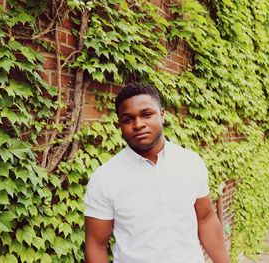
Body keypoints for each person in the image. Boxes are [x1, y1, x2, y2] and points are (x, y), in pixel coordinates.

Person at [84, 83, 230, 263]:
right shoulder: (104, 179)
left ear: (162, 114)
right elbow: (96, 244)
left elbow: (206, 218)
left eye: (146, 114)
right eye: (128, 119)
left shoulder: (190, 163)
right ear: (120, 125)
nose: (138, 124)